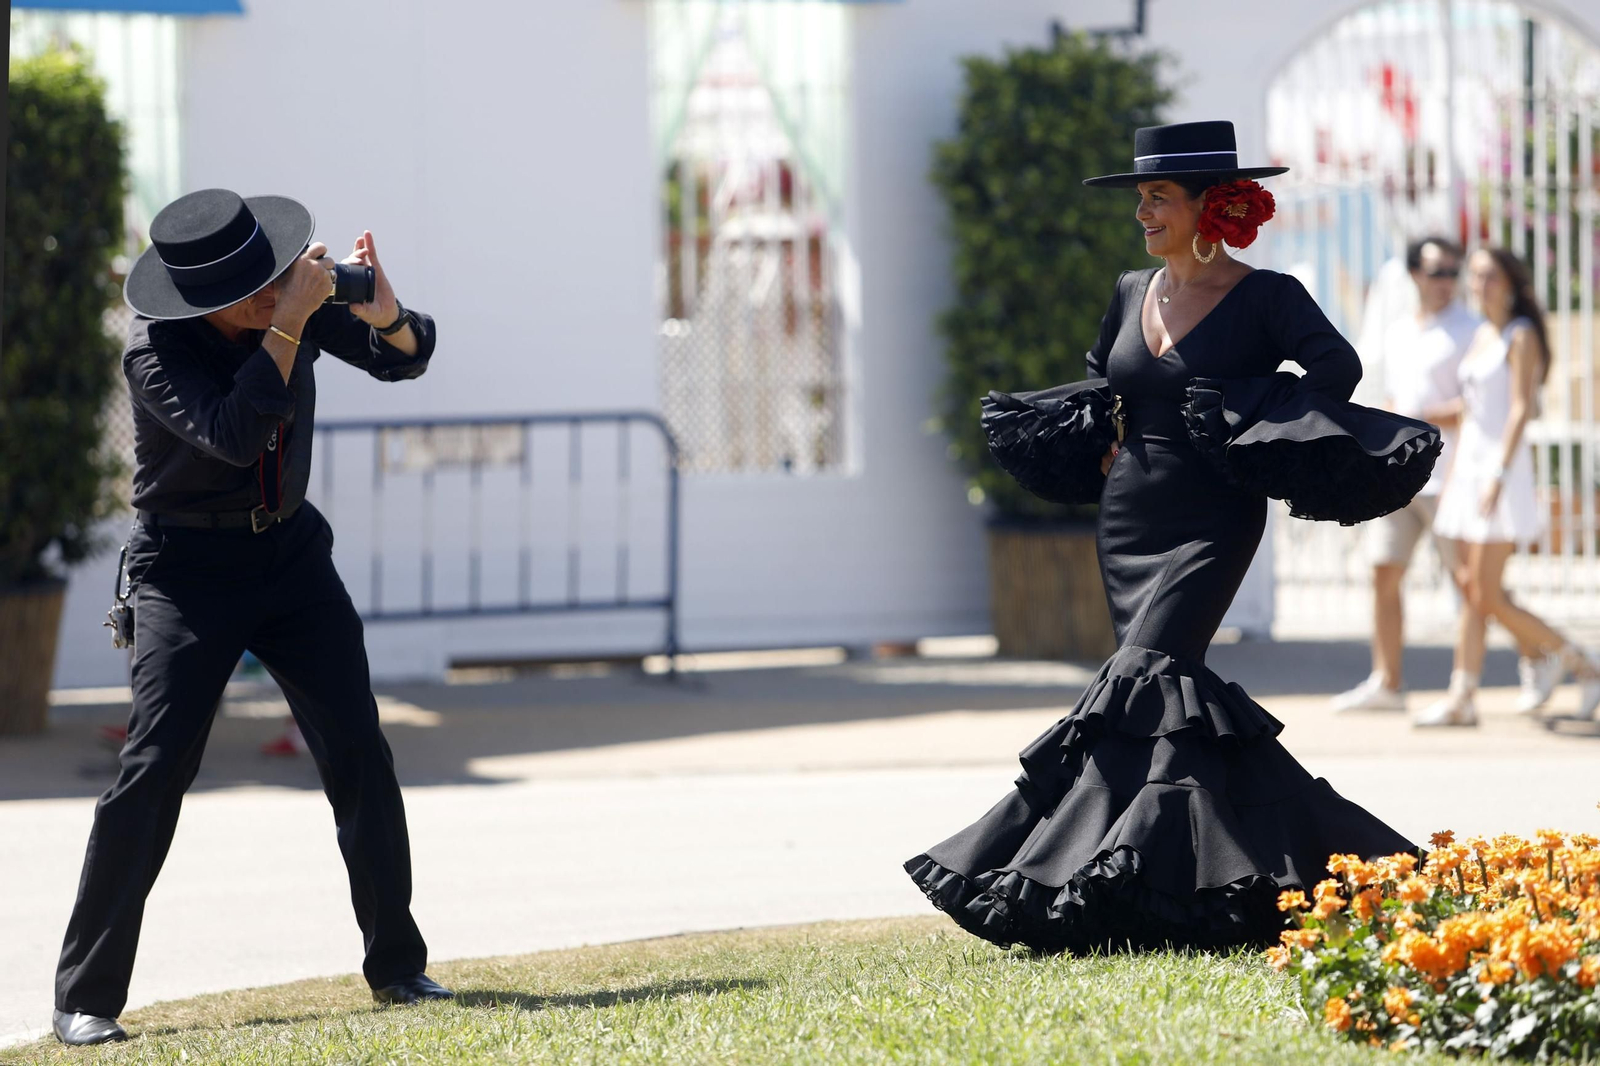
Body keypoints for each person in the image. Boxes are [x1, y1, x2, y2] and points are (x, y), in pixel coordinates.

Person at [905, 121, 1419, 954]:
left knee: (1148, 676)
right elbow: (1109, 376)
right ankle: (1196, 886)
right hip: (1129, 515)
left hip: (1214, 517)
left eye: (1157, 197)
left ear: (1211, 206)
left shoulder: (1268, 296)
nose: (1142, 211)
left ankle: (1075, 873)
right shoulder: (1128, 287)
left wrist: (1245, 415)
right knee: (1159, 703)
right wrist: (1106, 432)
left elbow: (1336, 370)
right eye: (1139, 197)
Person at [52, 189, 452, 1046]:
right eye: (254, 292)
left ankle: (398, 967)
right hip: (185, 570)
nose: (274, 292)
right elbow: (234, 433)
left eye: (274, 278)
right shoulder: (156, 352)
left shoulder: (289, 297)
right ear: (207, 302)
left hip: (291, 557)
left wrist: (388, 319)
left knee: (358, 748)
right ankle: (85, 997)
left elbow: (404, 358)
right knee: (154, 767)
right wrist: (289, 326)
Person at [1415, 247, 1600, 727]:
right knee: (1474, 589)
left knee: (1487, 594)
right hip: (1469, 470)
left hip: (1502, 471)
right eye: (1475, 277)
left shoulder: (1520, 336)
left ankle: (1577, 660)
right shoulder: (1481, 335)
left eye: (1489, 276)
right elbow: (1471, 410)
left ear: (1511, 283)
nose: (1479, 284)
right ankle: (1467, 694)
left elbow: (1520, 408)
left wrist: (1497, 473)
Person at [1331, 237, 1476, 712]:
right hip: (1402, 475)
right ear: (1415, 274)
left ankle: (1493, 675)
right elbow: (1393, 399)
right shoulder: (1398, 333)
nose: (1446, 282)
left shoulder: (1470, 329)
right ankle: (1387, 681)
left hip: (1452, 474)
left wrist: (1423, 417)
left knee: (1475, 585)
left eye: (1453, 272)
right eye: (1437, 271)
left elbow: (1477, 403)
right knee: (1383, 573)